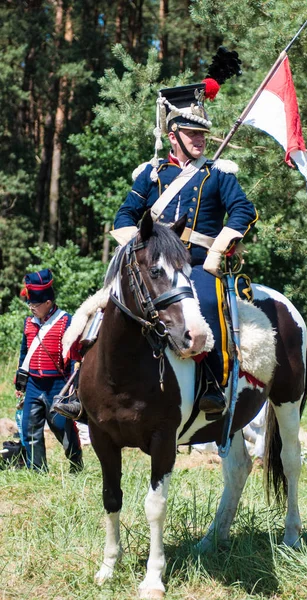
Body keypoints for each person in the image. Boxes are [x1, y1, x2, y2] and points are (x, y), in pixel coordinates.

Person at [54, 49, 258, 420]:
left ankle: (212, 384)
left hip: (197, 263)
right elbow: (123, 217)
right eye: (193, 133)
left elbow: (244, 211)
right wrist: (142, 252)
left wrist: (216, 253)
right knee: (104, 310)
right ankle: (77, 388)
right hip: (152, 265)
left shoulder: (218, 174)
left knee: (206, 308)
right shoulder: (151, 174)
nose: (201, 139)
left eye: (203, 134)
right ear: (173, 135)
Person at [15, 269, 83, 472]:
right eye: (30, 303)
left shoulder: (65, 321)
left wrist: (72, 389)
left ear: (47, 303)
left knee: (63, 429)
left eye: (35, 304)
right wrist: (21, 382)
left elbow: (74, 357)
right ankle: (37, 469)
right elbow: (24, 353)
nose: (31, 307)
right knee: (30, 429)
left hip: (57, 386)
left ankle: (75, 465)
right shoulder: (29, 323)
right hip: (34, 384)